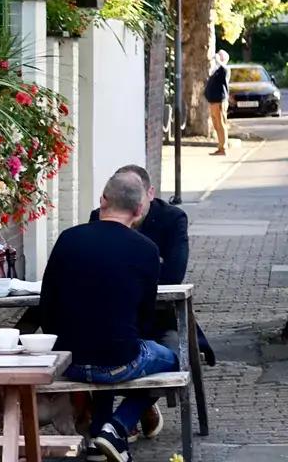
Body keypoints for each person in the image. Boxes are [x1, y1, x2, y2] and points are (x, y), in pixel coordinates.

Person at [39, 172, 179, 462]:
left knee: (109, 344)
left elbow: (46, 305)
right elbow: (145, 317)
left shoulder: (68, 239)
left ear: (102, 200)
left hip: (69, 361)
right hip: (119, 359)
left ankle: (97, 439)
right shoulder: (147, 250)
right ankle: (117, 426)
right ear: (139, 210)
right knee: (172, 360)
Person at [89, 165, 215, 442]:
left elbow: (172, 275)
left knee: (175, 357)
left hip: (163, 317)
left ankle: (121, 421)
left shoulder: (172, 219)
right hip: (117, 315)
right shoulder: (100, 217)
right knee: (102, 348)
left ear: (150, 194)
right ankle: (103, 428)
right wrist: (146, 266)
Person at [205, 49, 231, 156]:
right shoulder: (216, 69)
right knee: (216, 125)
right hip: (213, 101)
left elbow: (224, 69)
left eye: (220, 55)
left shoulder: (225, 69)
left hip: (219, 101)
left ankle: (223, 148)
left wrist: (219, 61)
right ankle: (220, 146)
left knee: (221, 124)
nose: (217, 56)